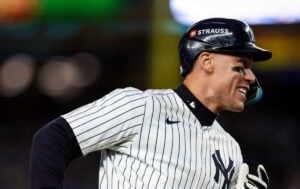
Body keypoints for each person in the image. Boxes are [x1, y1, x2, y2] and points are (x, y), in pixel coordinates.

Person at [29, 17, 272, 189]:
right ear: (206, 62)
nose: (251, 78)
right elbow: (54, 138)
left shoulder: (231, 149)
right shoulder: (140, 107)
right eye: (241, 66)